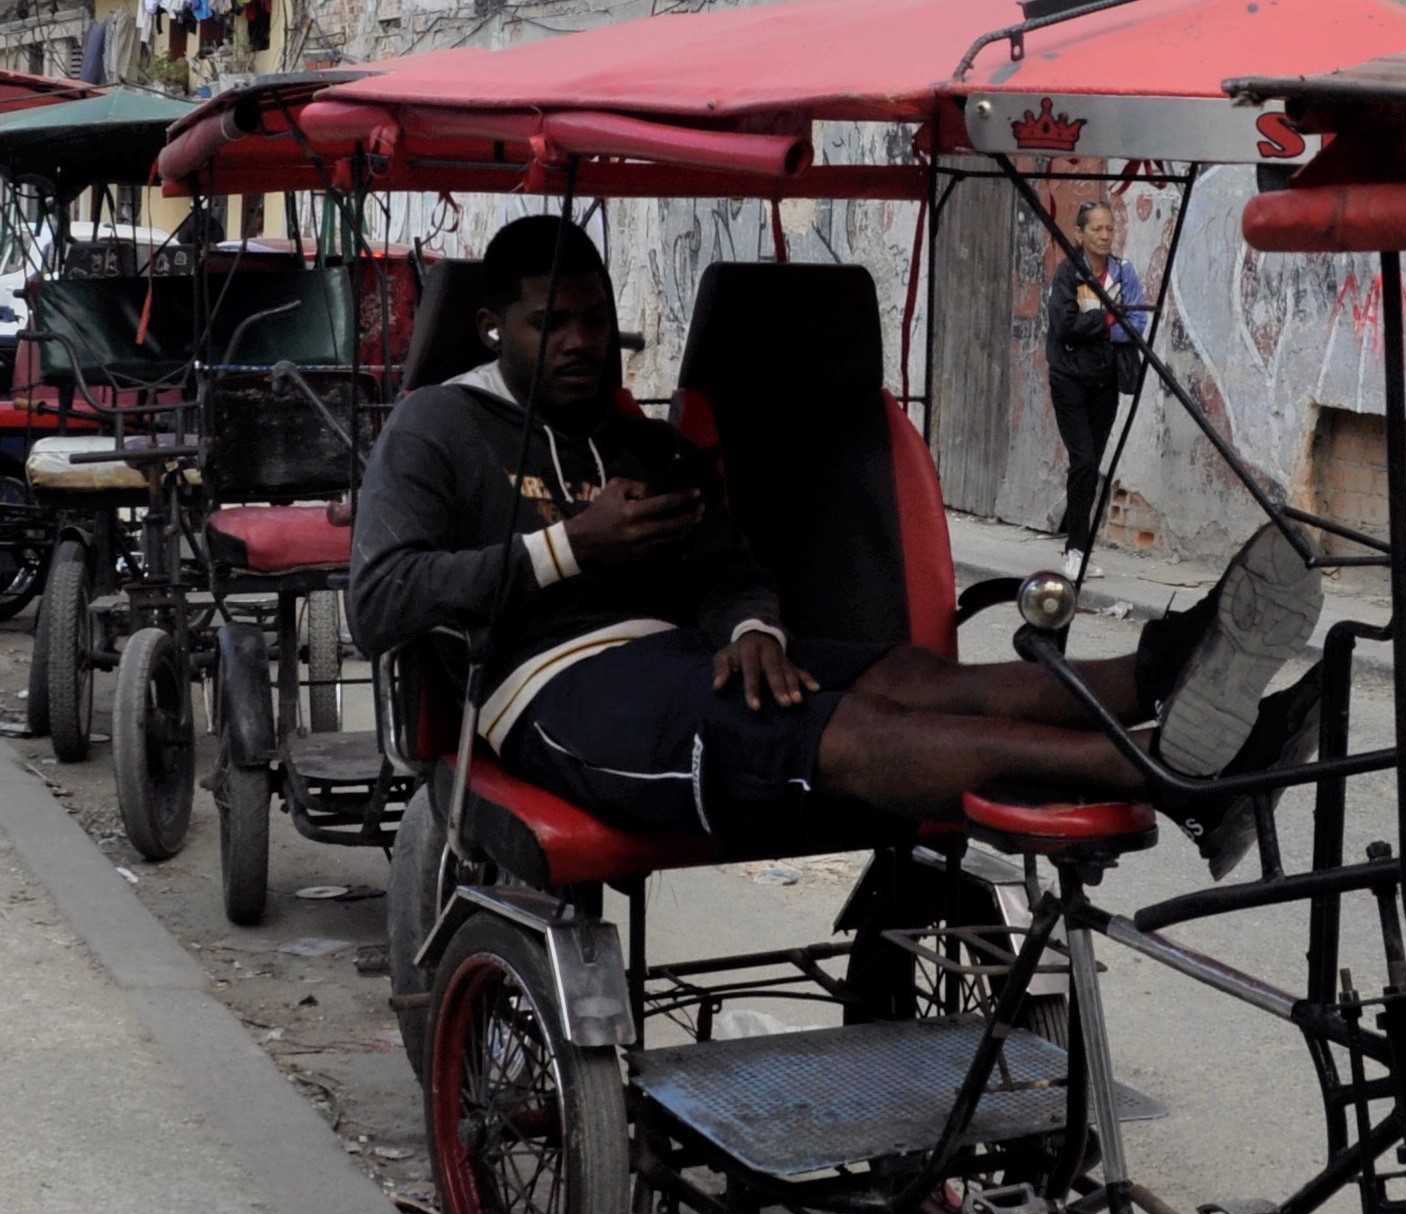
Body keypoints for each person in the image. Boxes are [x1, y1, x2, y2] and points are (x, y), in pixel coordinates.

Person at [348, 217, 1322, 872]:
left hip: (684, 656)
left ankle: (1172, 660)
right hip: (550, 693)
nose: (579, 343)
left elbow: (723, 562)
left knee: (909, 673)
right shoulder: (435, 429)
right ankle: (1164, 768)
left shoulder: (635, 438)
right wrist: (566, 547)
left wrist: (752, 625)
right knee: (846, 732)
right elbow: (380, 603)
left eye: (594, 322)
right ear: (489, 328)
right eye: (547, 324)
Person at [1045, 197, 1149, 555]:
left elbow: (1136, 324)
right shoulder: (1069, 274)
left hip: (1106, 380)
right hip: (1069, 378)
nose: (1105, 236)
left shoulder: (1123, 273)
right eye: (1097, 229)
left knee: (1093, 465)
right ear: (1080, 233)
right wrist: (1107, 319)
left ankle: (1078, 546)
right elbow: (1065, 326)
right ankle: (1075, 548)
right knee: (1084, 461)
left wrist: (1104, 328)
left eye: (1110, 228)